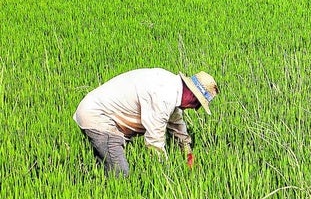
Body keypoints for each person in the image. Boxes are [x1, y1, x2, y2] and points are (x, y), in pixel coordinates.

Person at [74, 68, 218, 177]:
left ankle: (96, 182)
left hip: (104, 115)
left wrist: (188, 153)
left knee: (106, 166)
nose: (193, 108)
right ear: (192, 96)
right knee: (120, 173)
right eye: (197, 105)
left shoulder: (171, 87)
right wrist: (166, 176)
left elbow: (176, 124)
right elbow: (154, 143)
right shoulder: (164, 96)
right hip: (99, 117)